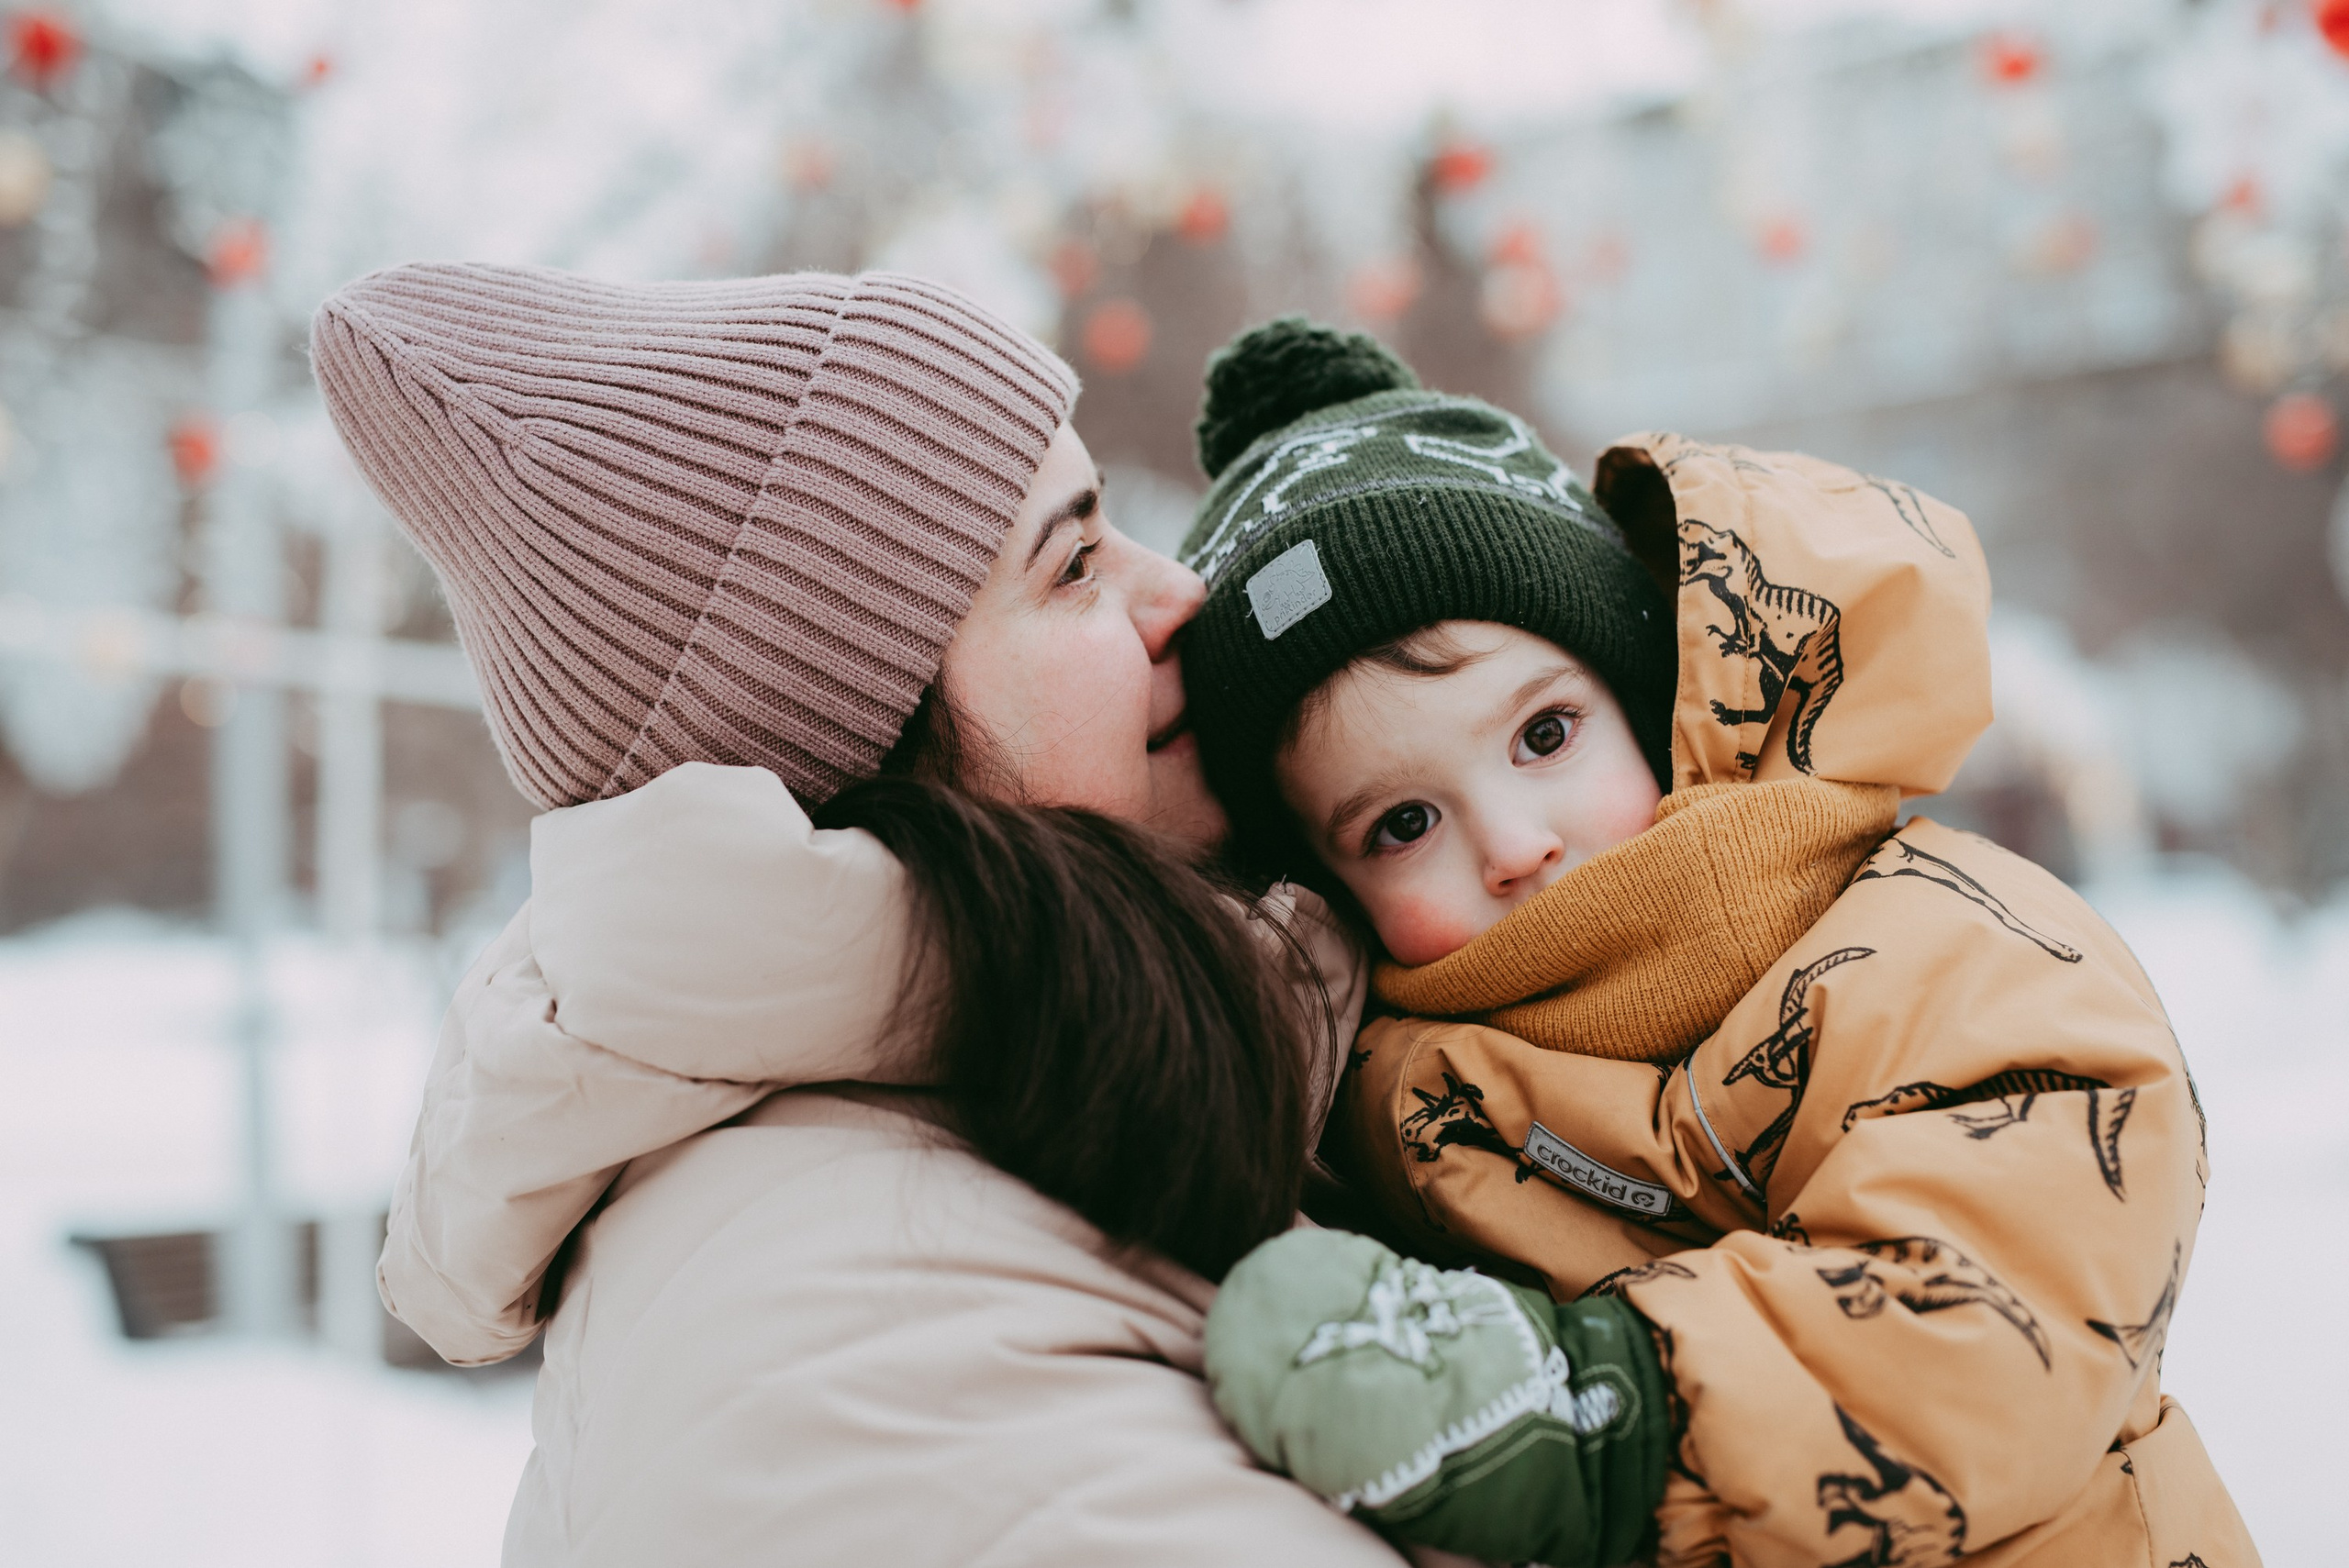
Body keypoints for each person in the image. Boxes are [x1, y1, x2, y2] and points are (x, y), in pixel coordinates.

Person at [311, 265, 1411, 1565]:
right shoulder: (870, 1348)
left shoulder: (1052, 1091)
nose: (1179, 593)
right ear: (861, 741)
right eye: (1073, 565)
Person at [1174, 319, 2259, 1567]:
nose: (1514, 842)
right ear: (1327, 878)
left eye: (1542, 736)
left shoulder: (1930, 942)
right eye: (1403, 821)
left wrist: (1600, 1409)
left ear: (1643, 699)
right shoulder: (1382, 1104)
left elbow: (2004, 1290)